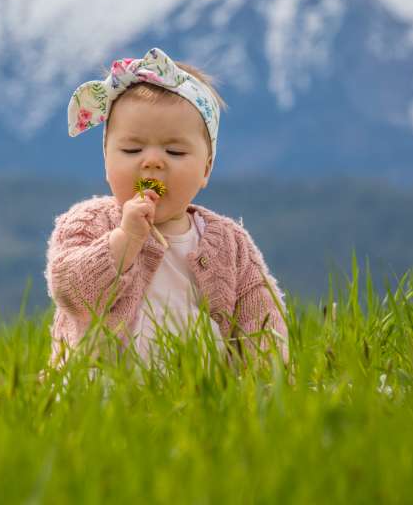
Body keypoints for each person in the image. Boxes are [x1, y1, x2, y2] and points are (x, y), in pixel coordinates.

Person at [44, 47, 288, 376]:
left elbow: (259, 312)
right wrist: (124, 241)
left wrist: (265, 372)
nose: (153, 161)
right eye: (132, 149)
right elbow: (71, 292)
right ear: (106, 160)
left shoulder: (229, 242)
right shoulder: (89, 222)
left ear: (206, 168)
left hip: (201, 392)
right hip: (101, 393)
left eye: (174, 151)